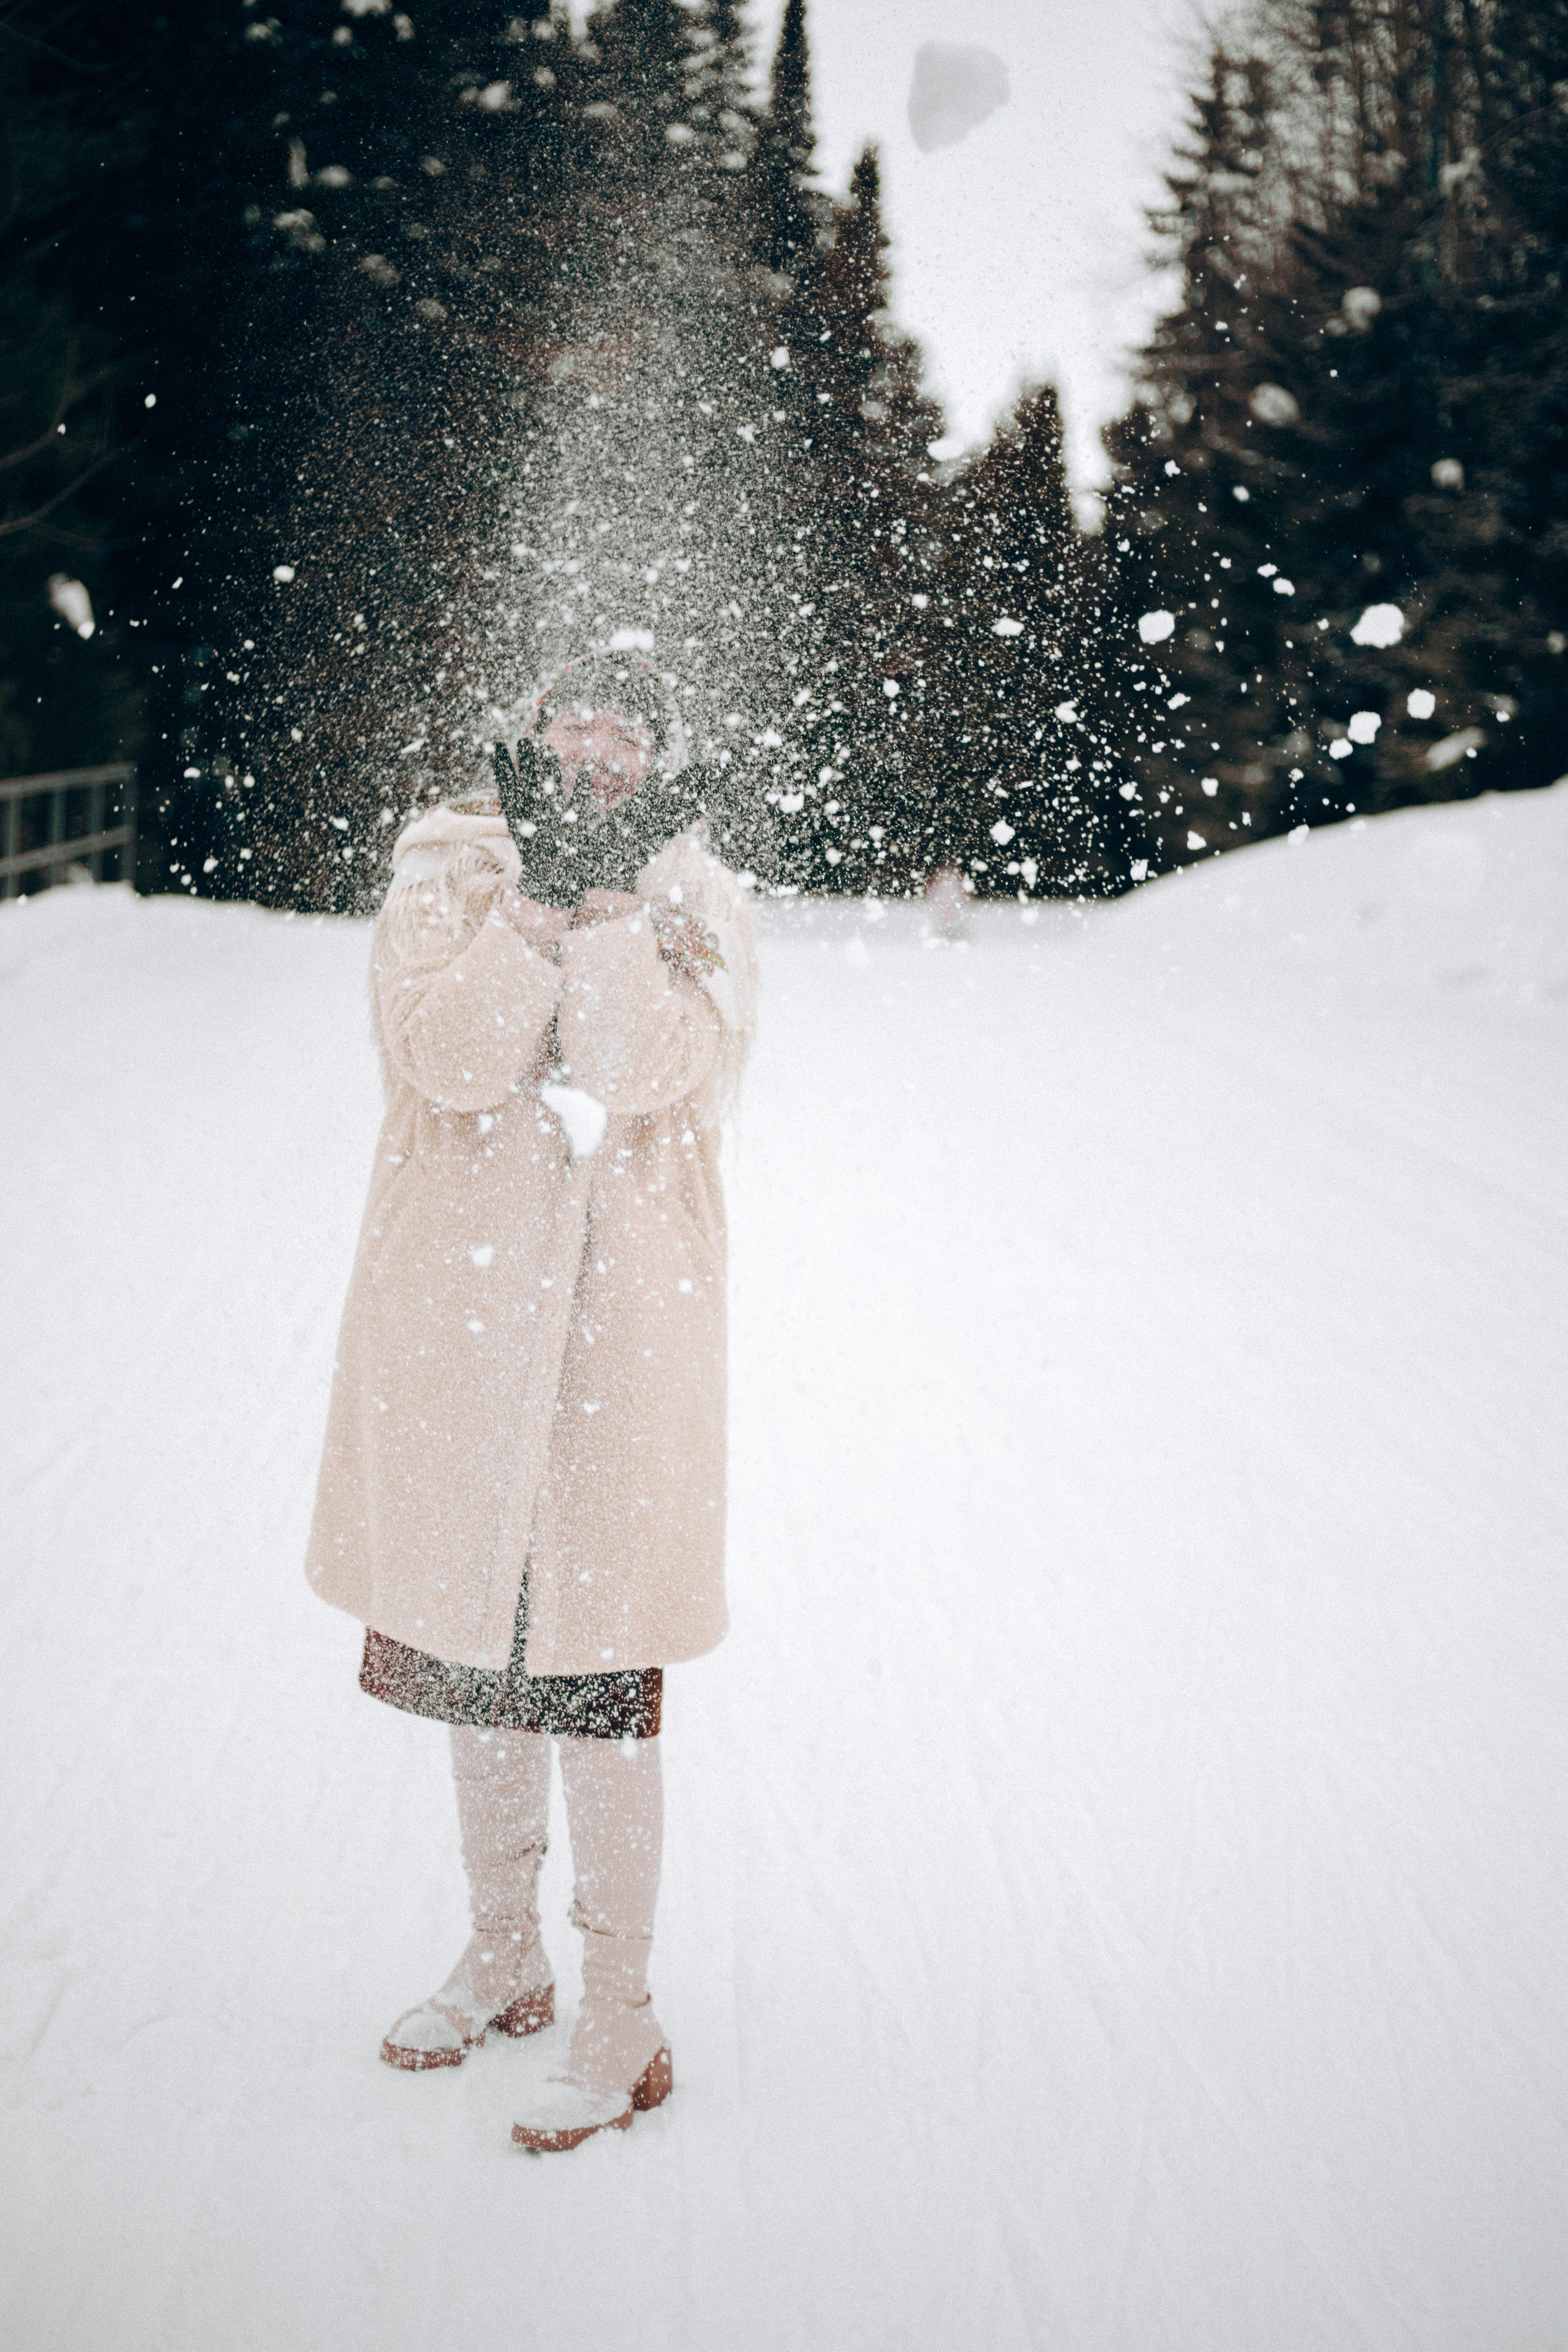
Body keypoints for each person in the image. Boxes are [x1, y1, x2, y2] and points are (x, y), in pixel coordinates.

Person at [306, 654, 758, 2152]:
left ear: (657, 764)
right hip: (459, 1321)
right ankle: (503, 1953)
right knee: (470, 1651)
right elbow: (446, 1061)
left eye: (629, 735)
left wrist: (615, 915)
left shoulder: (701, 897)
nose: (597, 753)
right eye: (575, 725)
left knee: (598, 1680)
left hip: (620, 1339)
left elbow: (640, 1074)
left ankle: (619, 2013)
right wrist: (530, 914)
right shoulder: (438, 872)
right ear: (526, 737)